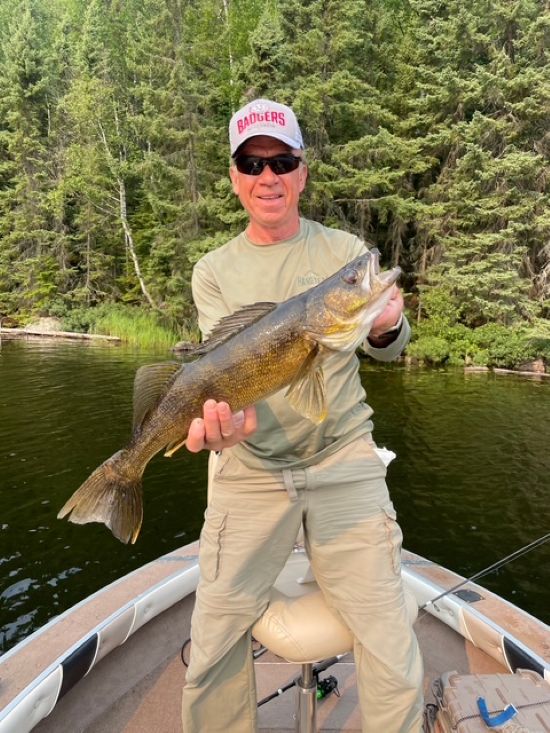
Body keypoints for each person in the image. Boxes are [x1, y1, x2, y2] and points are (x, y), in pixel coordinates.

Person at [181, 99, 423, 732]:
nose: (269, 177)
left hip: (343, 458)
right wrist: (221, 427)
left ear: (302, 173)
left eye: (282, 161)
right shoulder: (213, 272)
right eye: (253, 163)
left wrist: (387, 326)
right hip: (250, 464)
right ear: (234, 176)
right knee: (211, 643)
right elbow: (219, 373)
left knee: (390, 637)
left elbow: (390, 349)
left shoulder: (344, 252)